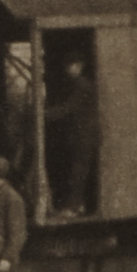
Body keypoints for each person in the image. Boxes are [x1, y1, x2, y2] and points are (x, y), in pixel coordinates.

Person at [44, 56, 98, 216]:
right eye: (67, 65)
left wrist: (46, 114)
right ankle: (78, 205)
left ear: (80, 66)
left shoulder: (82, 85)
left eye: (72, 65)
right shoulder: (76, 84)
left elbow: (69, 107)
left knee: (78, 171)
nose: (69, 69)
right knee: (77, 171)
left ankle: (74, 207)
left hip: (84, 136)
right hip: (79, 135)